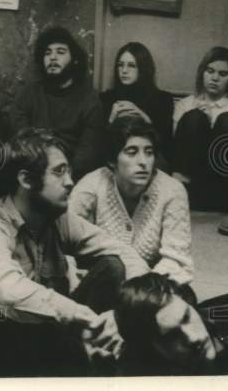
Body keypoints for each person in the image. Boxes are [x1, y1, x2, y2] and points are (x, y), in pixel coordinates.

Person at [0, 128, 148, 377]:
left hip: (52, 334)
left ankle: (94, 353)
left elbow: (124, 252)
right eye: (59, 172)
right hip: (2, 350)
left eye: (68, 171)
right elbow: (9, 292)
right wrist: (79, 313)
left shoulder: (57, 218)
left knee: (113, 266)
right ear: (26, 180)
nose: (70, 181)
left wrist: (129, 309)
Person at [68, 116, 193, 287]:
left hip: (148, 286)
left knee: (185, 299)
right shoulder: (91, 186)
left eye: (149, 152)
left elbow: (176, 260)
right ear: (112, 160)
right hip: (103, 279)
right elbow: (63, 243)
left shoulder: (172, 190)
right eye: (132, 152)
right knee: (113, 267)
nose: (143, 162)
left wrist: (140, 289)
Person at [172, 47, 228, 229]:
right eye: (210, 71)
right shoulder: (185, 104)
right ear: (202, 73)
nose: (215, 78)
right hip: (192, 188)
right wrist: (203, 122)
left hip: (226, 190)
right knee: (194, 118)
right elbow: (176, 147)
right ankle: (179, 199)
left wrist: (217, 121)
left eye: (222, 73)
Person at [9, 26, 106, 180]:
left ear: (74, 59)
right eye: (48, 53)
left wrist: (63, 178)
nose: (53, 57)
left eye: (60, 52)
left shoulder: (90, 100)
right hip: (34, 171)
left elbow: (87, 154)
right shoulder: (29, 93)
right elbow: (22, 139)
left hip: (72, 178)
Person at [100, 42, 175, 168]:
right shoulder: (107, 98)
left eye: (131, 66)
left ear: (143, 68)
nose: (124, 71)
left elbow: (167, 147)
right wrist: (111, 119)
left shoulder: (163, 99)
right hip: (115, 162)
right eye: (120, 65)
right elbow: (98, 144)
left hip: (149, 162)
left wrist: (145, 119)